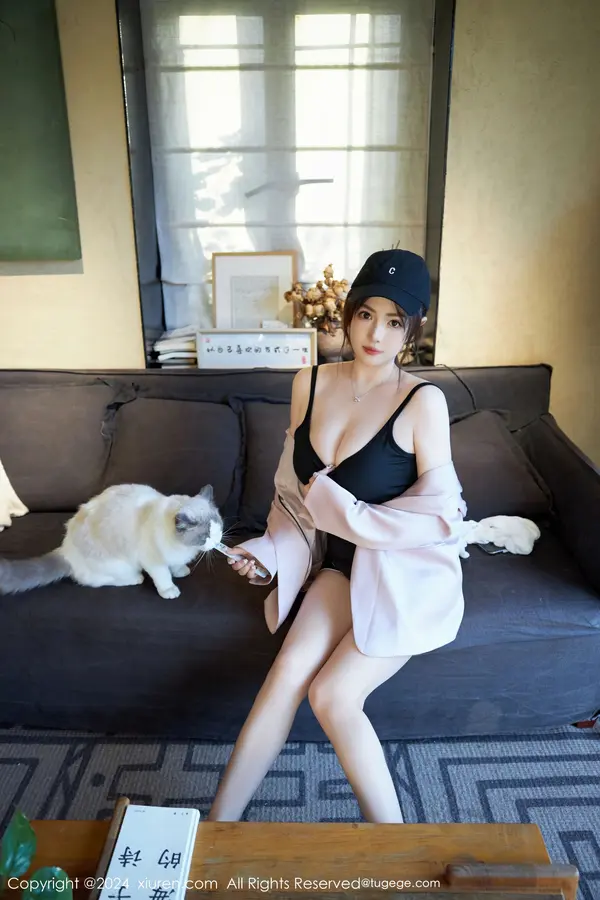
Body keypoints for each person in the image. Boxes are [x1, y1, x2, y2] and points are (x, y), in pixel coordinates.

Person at [207, 248, 466, 824]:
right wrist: (268, 553)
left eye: (394, 321)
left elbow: (440, 517)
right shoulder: (310, 381)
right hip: (339, 568)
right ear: (348, 314)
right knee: (285, 676)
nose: (376, 334)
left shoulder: (424, 401)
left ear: (414, 327)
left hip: (403, 573)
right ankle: (214, 830)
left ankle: (395, 848)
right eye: (366, 314)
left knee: (332, 696)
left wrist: (345, 511)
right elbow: (292, 500)